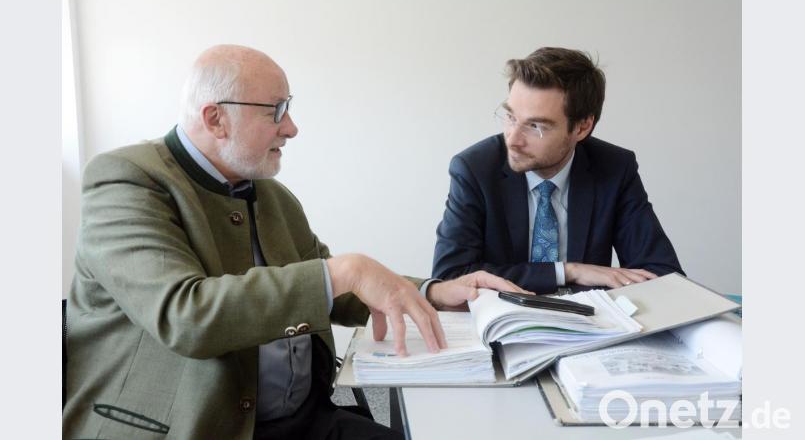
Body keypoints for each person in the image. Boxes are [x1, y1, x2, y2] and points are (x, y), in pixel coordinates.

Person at [62, 44, 524, 440]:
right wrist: (345, 270)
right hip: (195, 428)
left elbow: (334, 289)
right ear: (215, 118)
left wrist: (434, 293)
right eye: (276, 111)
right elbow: (186, 316)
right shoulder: (127, 181)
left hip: (303, 421)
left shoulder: (271, 195)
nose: (291, 127)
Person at [432, 47, 683, 294]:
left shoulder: (614, 168)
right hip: (503, 326)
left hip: (589, 327)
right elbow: (450, 278)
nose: (513, 139)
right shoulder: (475, 169)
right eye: (510, 117)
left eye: (536, 126)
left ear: (582, 127)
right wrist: (567, 271)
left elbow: (663, 274)